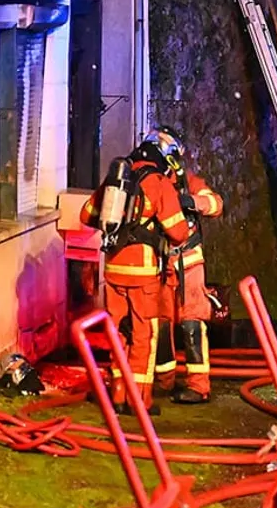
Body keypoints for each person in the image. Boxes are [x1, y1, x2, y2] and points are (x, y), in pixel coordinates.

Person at [79, 134, 191, 415]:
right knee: (144, 333)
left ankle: (117, 394)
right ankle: (140, 400)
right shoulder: (158, 182)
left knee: (118, 332)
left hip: (113, 269)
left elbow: (86, 215)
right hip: (143, 273)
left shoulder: (118, 177)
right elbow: (178, 233)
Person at [150, 127, 225, 404]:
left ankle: (198, 386)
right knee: (160, 324)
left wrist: (191, 201)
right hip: (158, 264)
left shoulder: (188, 182)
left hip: (189, 263)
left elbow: (216, 204)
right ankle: (164, 381)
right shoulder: (150, 182)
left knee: (192, 324)